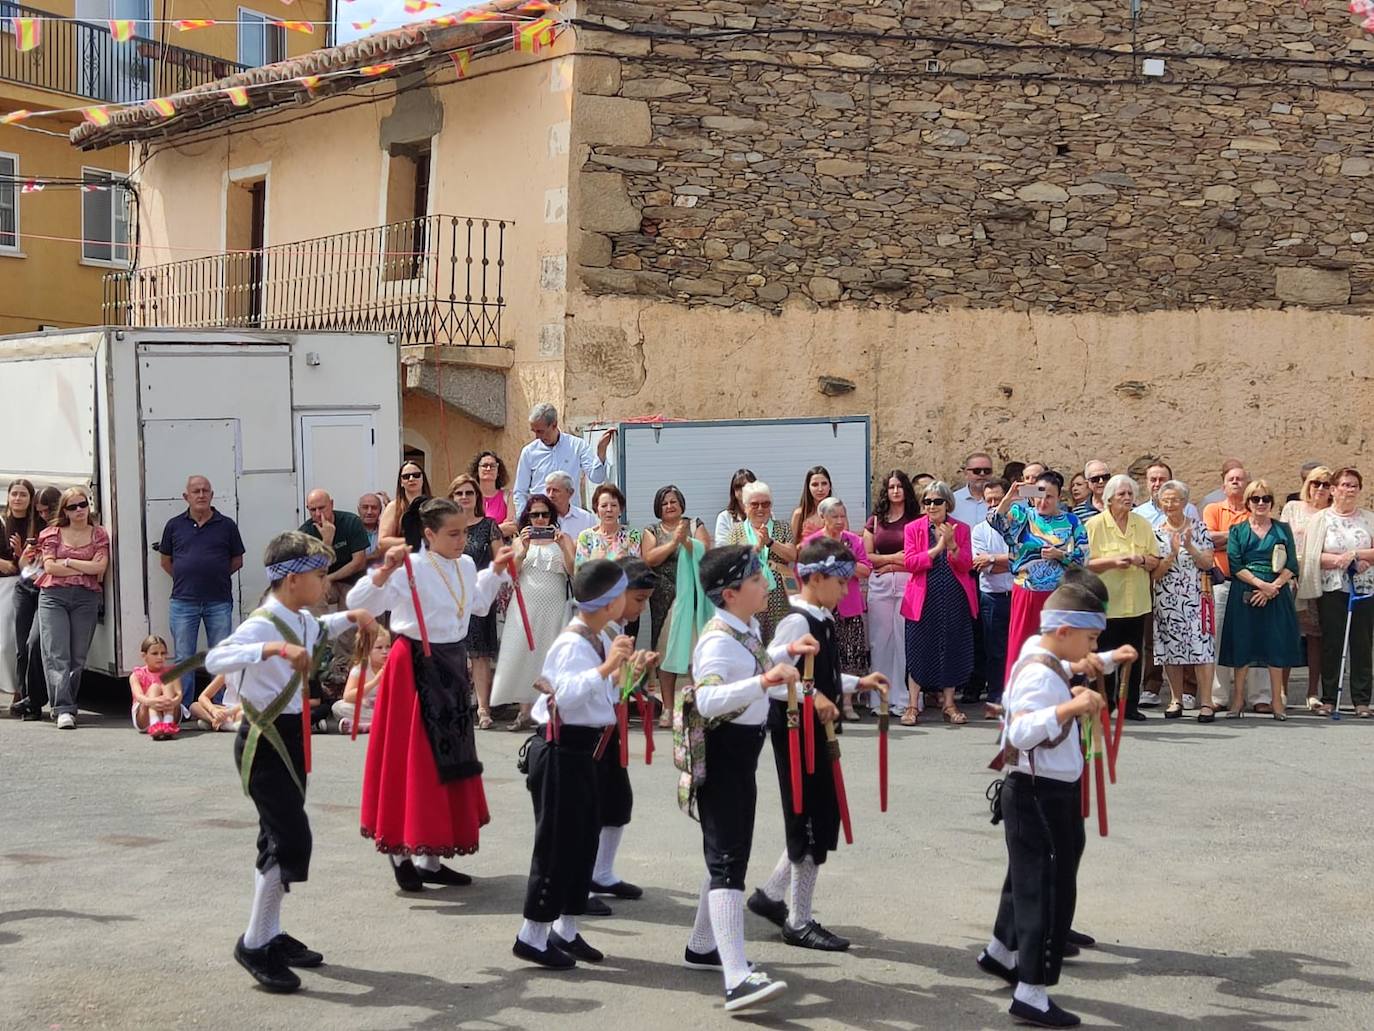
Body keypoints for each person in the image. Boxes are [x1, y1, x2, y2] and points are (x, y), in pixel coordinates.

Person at [205, 531, 375, 993]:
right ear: (294, 579)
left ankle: (269, 933)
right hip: (264, 742)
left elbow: (320, 630)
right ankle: (255, 943)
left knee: (275, 839)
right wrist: (272, 649)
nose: (325, 584)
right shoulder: (265, 622)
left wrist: (353, 615)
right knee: (290, 839)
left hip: (292, 739)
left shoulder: (301, 616)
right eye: (320, 577)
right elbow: (216, 657)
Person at [976, 575, 1132, 1030]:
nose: (1092, 646)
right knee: (1045, 890)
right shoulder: (1040, 674)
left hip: (1046, 792)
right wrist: (1070, 708)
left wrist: (1104, 660)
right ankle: (1031, 992)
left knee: (1027, 880)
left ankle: (1000, 951)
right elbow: (1020, 732)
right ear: (1064, 631)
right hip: (1037, 793)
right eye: (1091, 637)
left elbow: (1067, 667)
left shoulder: (1040, 650)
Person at [348, 500, 513, 890]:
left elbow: (475, 605)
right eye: (452, 534)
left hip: (452, 664)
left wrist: (496, 573)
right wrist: (384, 571)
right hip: (415, 665)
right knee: (415, 760)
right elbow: (359, 605)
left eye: (463, 533)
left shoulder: (466, 565)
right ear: (429, 534)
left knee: (448, 760)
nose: (461, 541)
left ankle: (432, 857)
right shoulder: (411, 568)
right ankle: (401, 852)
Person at [681, 545, 816, 1012]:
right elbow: (707, 701)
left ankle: (702, 946)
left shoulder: (748, 629)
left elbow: (759, 665)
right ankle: (737, 978)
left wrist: (786, 657)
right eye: (758, 578)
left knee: (724, 851)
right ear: (732, 592)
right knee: (727, 861)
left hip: (742, 754)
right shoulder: (718, 640)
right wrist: (762, 683)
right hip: (723, 757)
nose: (767, 583)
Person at [748, 536, 888, 951]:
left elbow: (818, 678)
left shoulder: (823, 619)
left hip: (817, 731)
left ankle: (771, 897)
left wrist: (855, 682)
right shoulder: (797, 621)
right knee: (808, 823)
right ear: (817, 578)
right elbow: (774, 677)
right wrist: (816, 698)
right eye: (842, 582)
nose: (848, 591)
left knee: (819, 817)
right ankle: (799, 920)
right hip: (797, 737)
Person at [514, 559, 641, 969]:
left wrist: (629, 670)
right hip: (560, 750)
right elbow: (564, 697)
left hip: (587, 750)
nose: (628, 600)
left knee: (583, 840)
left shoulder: (601, 636)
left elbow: (605, 694)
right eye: (623, 593)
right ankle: (530, 935)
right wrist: (608, 667)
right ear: (608, 602)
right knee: (556, 846)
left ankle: (565, 929)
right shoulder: (572, 643)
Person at [588, 557, 659, 911]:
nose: (641, 607)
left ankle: (602, 873)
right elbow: (587, 686)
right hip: (583, 735)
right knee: (585, 810)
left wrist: (640, 672)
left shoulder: (616, 632)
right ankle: (578, 884)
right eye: (639, 599)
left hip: (609, 728)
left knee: (617, 801)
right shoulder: (588, 633)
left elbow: (621, 688)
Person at [159, 475, 246, 716]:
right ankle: (184, 707)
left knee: (220, 655)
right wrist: (187, 576)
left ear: (211, 495)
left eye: (205, 490)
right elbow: (165, 561)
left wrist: (213, 574)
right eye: (196, 491)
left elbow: (237, 559)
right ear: (186, 496)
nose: (201, 495)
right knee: (185, 657)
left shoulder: (226, 524)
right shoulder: (174, 525)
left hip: (218, 600)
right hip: (183, 600)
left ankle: (219, 704)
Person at [990, 471, 1088, 683]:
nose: (1043, 501)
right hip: (1027, 592)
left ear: (1059, 497)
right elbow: (995, 521)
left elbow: (1083, 558)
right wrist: (1008, 498)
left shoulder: (1072, 521)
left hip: (1059, 595)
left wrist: (1060, 555)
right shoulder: (1021, 515)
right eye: (1039, 495)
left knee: (1058, 648)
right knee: (1021, 645)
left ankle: (1059, 701)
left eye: (1050, 496)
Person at [492, 495, 577, 731]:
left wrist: (562, 546)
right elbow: (511, 574)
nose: (540, 519)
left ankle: (551, 709)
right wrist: (523, 550)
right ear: (527, 517)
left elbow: (573, 571)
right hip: (525, 604)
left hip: (555, 604)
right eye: (534, 515)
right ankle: (524, 711)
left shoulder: (564, 538)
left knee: (550, 654)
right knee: (523, 653)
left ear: (552, 516)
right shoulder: (519, 541)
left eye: (544, 514)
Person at [1217, 480, 1301, 720]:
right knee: (1243, 644)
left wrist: (1272, 587)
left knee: (1274, 645)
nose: (1261, 503)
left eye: (1266, 499)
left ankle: (1277, 702)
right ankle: (1237, 701)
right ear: (1248, 503)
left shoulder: (1283, 529)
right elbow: (1235, 564)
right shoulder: (1237, 530)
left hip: (1276, 593)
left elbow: (1292, 564)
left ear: (1272, 503)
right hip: (1246, 592)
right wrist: (1261, 585)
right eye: (1256, 499)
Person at [900, 480, 977, 726]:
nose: (931, 506)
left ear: (947, 504)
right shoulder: (914, 528)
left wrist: (952, 544)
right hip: (923, 597)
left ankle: (949, 704)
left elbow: (966, 565)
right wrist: (937, 549)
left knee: (950, 646)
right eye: (927, 501)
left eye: (937, 501)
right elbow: (910, 563)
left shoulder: (961, 528)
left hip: (953, 596)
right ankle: (913, 705)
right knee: (917, 648)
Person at [1085, 475, 1159, 722]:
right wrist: (1113, 562)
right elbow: (1086, 563)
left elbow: (1155, 559)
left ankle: (1129, 706)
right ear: (1109, 499)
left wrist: (1141, 560)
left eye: (1130, 494)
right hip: (1106, 603)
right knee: (1104, 657)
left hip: (1136, 603)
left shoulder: (1142, 524)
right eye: (1122, 494)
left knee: (1133, 658)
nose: (1127, 498)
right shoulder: (1095, 525)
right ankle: (1103, 705)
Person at [36, 487, 110, 730]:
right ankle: (63, 708)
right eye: (72, 507)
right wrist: (84, 566)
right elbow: (50, 569)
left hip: (85, 598)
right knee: (57, 653)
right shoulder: (52, 533)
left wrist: (67, 561)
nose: (79, 510)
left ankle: (66, 703)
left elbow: (100, 567)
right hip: (53, 596)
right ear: (64, 511)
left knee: (78, 655)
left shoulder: (99, 534)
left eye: (83, 505)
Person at [644, 484, 712, 729]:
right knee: (665, 652)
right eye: (664, 503)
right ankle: (669, 708)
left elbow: (706, 553)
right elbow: (650, 558)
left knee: (697, 651)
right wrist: (675, 542)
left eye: (673, 501)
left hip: (692, 598)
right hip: (664, 599)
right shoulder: (652, 530)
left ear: (681, 503)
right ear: (658, 508)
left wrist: (687, 542)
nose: (669, 506)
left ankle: (699, 705)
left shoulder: (695, 524)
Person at [1148, 481, 1217, 721]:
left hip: (1197, 597)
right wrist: (1173, 554)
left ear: (1185, 502)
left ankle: (1206, 702)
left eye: (1175, 499)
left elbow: (1208, 563)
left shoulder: (1198, 528)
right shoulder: (1155, 532)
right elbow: (1154, 574)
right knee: (1171, 649)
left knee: (1202, 649)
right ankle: (1176, 699)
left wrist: (1190, 547)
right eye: (1165, 500)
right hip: (1167, 598)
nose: (1170, 504)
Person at [1311, 468, 1374, 717]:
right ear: (1333, 489)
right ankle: (1328, 697)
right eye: (1344, 485)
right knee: (1332, 642)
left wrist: (1357, 555)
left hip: (1365, 588)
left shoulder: (1369, 518)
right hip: (1333, 587)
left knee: (1362, 643)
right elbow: (1313, 554)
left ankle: (1361, 700)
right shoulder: (1321, 519)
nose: (1349, 490)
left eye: (1354, 486)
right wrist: (1342, 561)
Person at [1203, 462, 1266, 712]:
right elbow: (1207, 539)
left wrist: (1227, 537)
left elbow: (1261, 545)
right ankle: (1219, 696)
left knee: (1255, 637)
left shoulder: (1258, 510)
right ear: (1223, 485)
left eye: (1241, 478)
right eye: (1232, 479)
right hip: (1222, 582)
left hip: (1252, 583)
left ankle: (1259, 696)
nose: (1236, 482)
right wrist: (1240, 535)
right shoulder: (1213, 508)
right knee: (1218, 639)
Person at [804, 498, 871, 719]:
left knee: (849, 654)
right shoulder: (813, 542)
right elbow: (804, 571)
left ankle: (848, 704)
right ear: (823, 517)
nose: (841, 521)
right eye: (835, 517)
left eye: (843, 516)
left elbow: (866, 568)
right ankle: (824, 700)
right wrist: (842, 567)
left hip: (849, 605)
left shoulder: (853, 540)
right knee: (823, 655)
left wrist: (839, 566)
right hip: (821, 606)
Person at [449, 473, 502, 730]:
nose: (464, 497)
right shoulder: (445, 527)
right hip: (451, 596)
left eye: (469, 493)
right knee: (454, 652)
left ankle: (483, 708)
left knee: (479, 654)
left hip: (480, 593)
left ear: (477, 497)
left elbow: (500, 559)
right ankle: (457, 705)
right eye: (459, 493)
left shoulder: (489, 524)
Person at [864, 470, 918, 718]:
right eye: (891, 487)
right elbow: (868, 557)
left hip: (909, 584)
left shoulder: (916, 519)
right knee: (880, 641)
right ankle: (879, 699)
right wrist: (893, 560)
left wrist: (890, 564)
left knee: (903, 641)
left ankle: (904, 700)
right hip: (881, 586)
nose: (895, 491)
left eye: (900, 486)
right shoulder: (876, 520)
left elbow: (917, 558)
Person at [1283, 465, 1334, 711]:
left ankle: (1313, 692)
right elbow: (1281, 541)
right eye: (1316, 483)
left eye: (1326, 484)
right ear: (1307, 485)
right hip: (1291, 576)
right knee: (1288, 634)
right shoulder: (1292, 508)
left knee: (1316, 637)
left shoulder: (1332, 513)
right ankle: (1281, 691)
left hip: (1319, 579)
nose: (1321, 488)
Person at [723, 482, 798, 642]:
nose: (760, 509)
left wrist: (770, 542)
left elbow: (792, 555)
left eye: (765, 504)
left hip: (779, 594)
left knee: (780, 640)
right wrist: (757, 547)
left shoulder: (782, 527)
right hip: (749, 593)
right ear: (745, 507)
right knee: (751, 641)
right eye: (754, 504)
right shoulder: (736, 531)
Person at [9, 485, 58, 719]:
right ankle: (28, 700)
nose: (43, 515)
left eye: (47, 510)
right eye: (39, 511)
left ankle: (35, 697)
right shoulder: (35, 528)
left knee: (34, 643)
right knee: (21, 648)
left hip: (46, 591)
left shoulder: (62, 529)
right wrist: (26, 557)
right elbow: (22, 568)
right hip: (25, 586)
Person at [512, 403, 613, 515]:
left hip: (571, 517)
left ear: (554, 425)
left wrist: (601, 453)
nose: (537, 437)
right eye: (534, 431)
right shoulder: (529, 452)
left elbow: (597, 478)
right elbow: (520, 491)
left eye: (540, 431)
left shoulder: (577, 446)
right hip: (541, 519)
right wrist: (523, 518)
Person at [972, 478, 1015, 720]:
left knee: (1020, 648)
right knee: (995, 652)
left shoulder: (1021, 525)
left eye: (997, 500)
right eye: (988, 500)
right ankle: (996, 698)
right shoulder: (979, 530)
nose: (992, 504)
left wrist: (992, 559)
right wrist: (1008, 561)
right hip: (993, 598)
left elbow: (1024, 561)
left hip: (1019, 594)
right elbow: (982, 567)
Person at [1, 478, 42, 699]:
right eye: (14, 494)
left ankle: (19, 690)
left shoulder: (35, 525)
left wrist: (18, 555)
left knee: (16, 642)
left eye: (23, 494)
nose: (18, 498)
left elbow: (29, 563)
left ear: (30, 499)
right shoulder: (1, 522)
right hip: (3, 585)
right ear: (8, 497)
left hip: (24, 585)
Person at [299, 490, 370, 607]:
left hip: (352, 581)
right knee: (312, 596)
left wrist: (330, 578)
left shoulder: (351, 522)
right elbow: (311, 571)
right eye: (313, 510)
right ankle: (320, 625)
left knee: (350, 606)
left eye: (321, 508)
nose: (318, 514)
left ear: (331, 504)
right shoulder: (304, 533)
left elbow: (359, 562)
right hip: (323, 583)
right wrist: (326, 543)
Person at [334, 626, 390, 735]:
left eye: (388, 647)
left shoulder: (394, 666)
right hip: (368, 708)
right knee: (339, 707)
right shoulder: (360, 669)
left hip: (388, 708)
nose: (385, 651)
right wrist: (375, 681)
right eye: (379, 647)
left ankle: (365, 726)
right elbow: (348, 697)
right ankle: (379, 723)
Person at [575, 484, 644, 568]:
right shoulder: (586, 537)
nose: (609, 509)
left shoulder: (632, 535)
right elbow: (579, 571)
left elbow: (637, 569)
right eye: (604, 506)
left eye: (614, 505)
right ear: (596, 509)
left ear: (620, 509)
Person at [129, 635, 180, 739]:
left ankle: (168, 722)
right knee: (155, 687)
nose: (160, 657)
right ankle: (154, 722)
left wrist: (172, 702)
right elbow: (138, 696)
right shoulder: (136, 675)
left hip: (169, 708)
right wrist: (153, 701)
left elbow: (179, 694)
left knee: (167, 682)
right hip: (145, 715)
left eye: (163, 653)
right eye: (155, 654)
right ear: (144, 656)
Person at [377, 461, 432, 552]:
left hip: (433, 560)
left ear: (423, 479)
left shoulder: (435, 504)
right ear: (401, 482)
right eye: (406, 477)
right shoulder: (394, 507)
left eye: (416, 475)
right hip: (404, 560)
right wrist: (415, 541)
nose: (411, 479)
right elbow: (382, 542)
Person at [1134, 461, 1200, 527]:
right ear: (1147, 482)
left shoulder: (1188, 509)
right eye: (1153, 480)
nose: (1157, 484)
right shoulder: (1137, 514)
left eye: (1162, 480)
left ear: (1170, 482)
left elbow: (1197, 535)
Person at [471, 450, 517, 538]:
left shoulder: (508, 496)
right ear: (477, 470)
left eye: (492, 466)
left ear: (498, 472)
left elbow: (511, 527)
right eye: (484, 466)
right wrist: (498, 529)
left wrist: (482, 533)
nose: (488, 469)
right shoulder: (471, 496)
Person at [543, 470, 596, 542]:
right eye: (548, 490)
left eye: (555, 490)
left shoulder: (586, 519)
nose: (550, 495)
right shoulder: (541, 518)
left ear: (570, 493)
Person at [789, 466, 832, 544]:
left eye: (824, 484)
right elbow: (791, 546)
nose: (820, 489)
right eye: (815, 485)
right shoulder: (799, 514)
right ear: (808, 488)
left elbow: (846, 543)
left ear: (830, 486)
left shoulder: (838, 513)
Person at [713, 468, 756, 545]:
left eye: (747, 486)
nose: (743, 490)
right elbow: (721, 546)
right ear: (733, 491)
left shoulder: (766, 514)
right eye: (739, 487)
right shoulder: (724, 517)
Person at [953, 451, 996, 526]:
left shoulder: (1001, 500)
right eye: (977, 471)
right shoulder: (953, 501)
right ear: (966, 473)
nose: (982, 474)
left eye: (987, 471)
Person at [358, 493, 386, 566]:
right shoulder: (350, 531)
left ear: (380, 511)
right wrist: (373, 555)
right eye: (365, 507)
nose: (369, 512)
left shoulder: (386, 532)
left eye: (374, 508)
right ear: (358, 509)